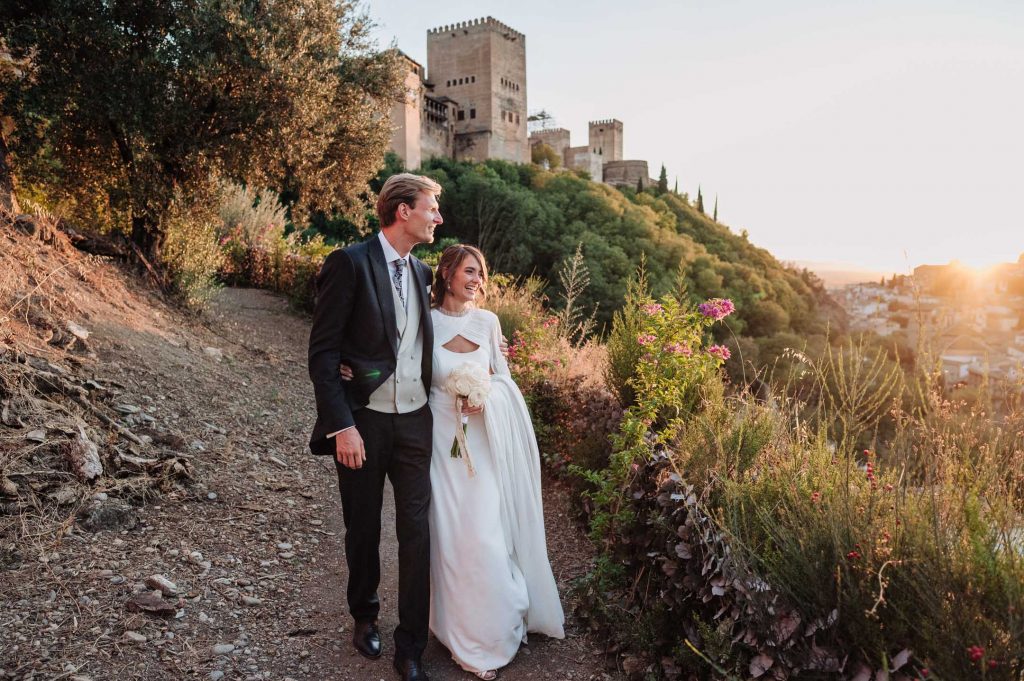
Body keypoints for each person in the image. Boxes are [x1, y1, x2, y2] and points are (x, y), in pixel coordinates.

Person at [307, 173, 443, 681]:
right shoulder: (349, 262)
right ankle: (364, 614)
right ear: (403, 211)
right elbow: (322, 354)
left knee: (417, 533)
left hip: (415, 422)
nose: (438, 218)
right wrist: (341, 424)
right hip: (362, 422)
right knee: (363, 528)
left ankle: (411, 645)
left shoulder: (426, 272)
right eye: (431, 208)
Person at [425, 244, 565, 679]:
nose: (477, 281)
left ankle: (490, 635)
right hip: (440, 443)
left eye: (481, 275)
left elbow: (504, 381)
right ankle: (453, 629)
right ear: (447, 272)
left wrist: (485, 397)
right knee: (449, 537)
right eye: (469, 271)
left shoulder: (488, 323)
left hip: (483, 443)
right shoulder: (423, 323)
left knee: (485, 532)